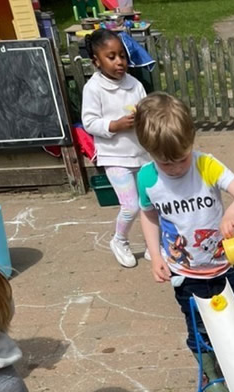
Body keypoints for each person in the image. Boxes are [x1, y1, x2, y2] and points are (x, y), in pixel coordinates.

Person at [134, 92, 234, 392]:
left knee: (232, 318)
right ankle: (212, 372)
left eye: (181, 158)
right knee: (199, 327)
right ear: (148, 151)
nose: (174, 167)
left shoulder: (206, 165)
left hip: (222, 266)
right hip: (185, 273)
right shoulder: (147, 178)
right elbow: (148, 216)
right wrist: (155, 255)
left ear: (192, 141)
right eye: (165, 161)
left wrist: (231, 212)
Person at [81, 30, 149, 269]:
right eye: (111, 57)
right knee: (130, 206)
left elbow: (146, 110)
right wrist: (114, 125)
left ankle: (153, 244)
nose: (119, 62)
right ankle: (119, 241)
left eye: (122, 55)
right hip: (115, 156)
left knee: (150, 203)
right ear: (97, 61)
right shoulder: (93, 88)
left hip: (141, 154)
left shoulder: (135, 84)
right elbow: (89, 122)